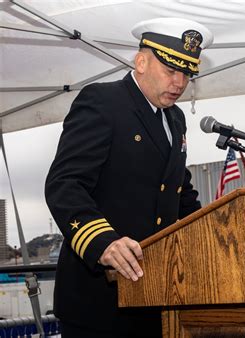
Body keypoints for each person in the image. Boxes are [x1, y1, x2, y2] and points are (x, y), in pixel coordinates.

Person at [45, 18, 213, 337]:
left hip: (156, 296)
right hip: (99, 301)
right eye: (170, 70)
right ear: (141, 61)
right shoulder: (102, 102)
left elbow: (180, 196)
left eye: (187, 74)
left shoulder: (175, 120)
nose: (179, 82)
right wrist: (102, 242)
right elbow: (65, 184)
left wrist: (215, 238)